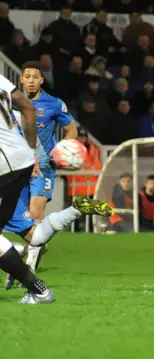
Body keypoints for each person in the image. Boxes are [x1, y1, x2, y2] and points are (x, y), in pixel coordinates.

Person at [19, 61, 78, 275]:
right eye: (28, 76)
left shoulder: (53, 103)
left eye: (36, 77)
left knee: (35, 212)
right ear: (21, 79)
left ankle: (29, 268)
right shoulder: (11, 103)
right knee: (19, 220)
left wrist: (60, 150)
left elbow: (71, 131)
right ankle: (38, 243)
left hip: (44, 168)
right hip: (17, 168)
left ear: (42, 80)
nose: (32, 80)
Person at [0, 73, 54, 303]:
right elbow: (27, 107)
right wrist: (31, 151)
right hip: (22, 160)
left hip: (4, 164)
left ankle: (38, 289)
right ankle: (14, 250)